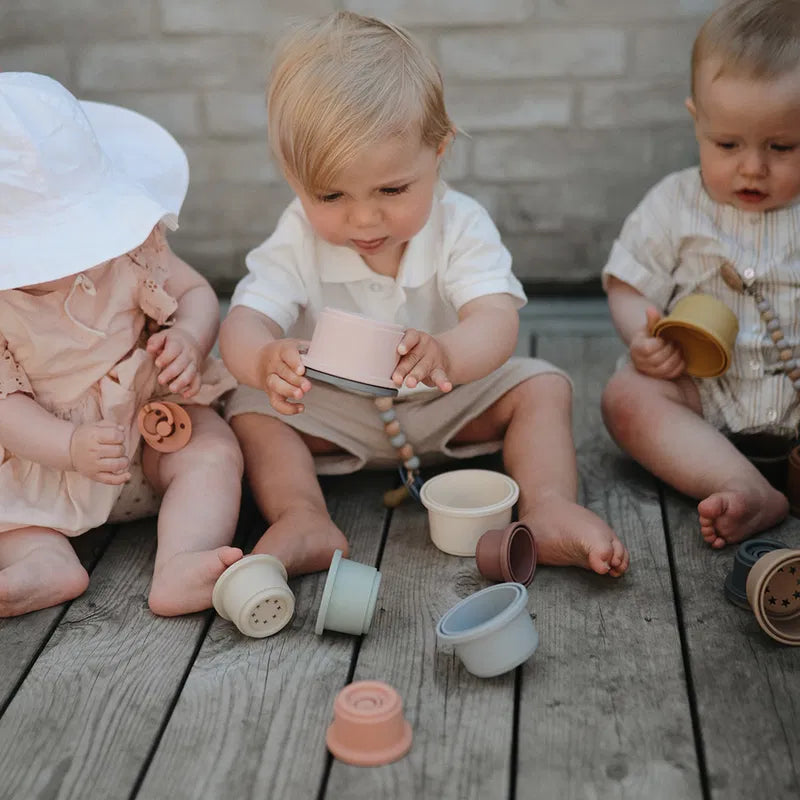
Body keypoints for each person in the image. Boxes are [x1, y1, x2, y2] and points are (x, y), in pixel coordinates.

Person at [219, 11, 629, 579]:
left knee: (541, 386)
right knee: (249, 409)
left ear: (439, 152)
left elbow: (494, 319)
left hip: (445, 402)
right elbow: (243, 322)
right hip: (337, 411)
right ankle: (302, 515)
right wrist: (265, 360)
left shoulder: (459, 224)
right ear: (294, 179)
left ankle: (549, 506)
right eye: (332, 195)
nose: (364, 217)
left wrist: (449, 354)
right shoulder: (296, 236)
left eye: (392, 188)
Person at [0, 73, 244, 618]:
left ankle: (184, 558)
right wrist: (67, 446)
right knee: (12, 522)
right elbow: (6, 408)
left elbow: (196, 291)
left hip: (154, 428)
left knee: (213, 452)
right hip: (41, 465)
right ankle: (42, 563)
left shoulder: (129, 248)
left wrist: (189, 336)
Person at [601, 0, 800, 548]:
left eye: (781, 147)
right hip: (704, 396)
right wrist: (642, 336)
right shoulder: (675, 205)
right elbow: (629, 281)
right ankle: (738, 483)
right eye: (728, 144)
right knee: (628, 397)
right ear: (698, 121)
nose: (753, 166)